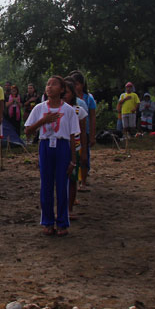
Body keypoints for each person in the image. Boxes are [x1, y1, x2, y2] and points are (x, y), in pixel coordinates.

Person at [24, 76, 80, 236]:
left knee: (62, 185)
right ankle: (48, 222)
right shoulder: (39, 109)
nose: (49, 87)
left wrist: (73, 160)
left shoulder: (68, 110)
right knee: (46, 185)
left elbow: (72, 136)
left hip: (62, 147)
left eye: (54, 84)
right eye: (48, 84)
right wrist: (43, 121)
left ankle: (62, 223)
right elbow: (28, 131)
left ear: (62, 89)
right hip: (46, 145)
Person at [63, 78, 88, 222]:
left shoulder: (79, 111)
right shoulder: (56, 110)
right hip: (60, 148)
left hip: (75, 149)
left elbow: (83, 132)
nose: (65, 95)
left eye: (67, 92)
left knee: (72, 179)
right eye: (63, 92)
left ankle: (69, 208)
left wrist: (84, 151)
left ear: (72, 94)